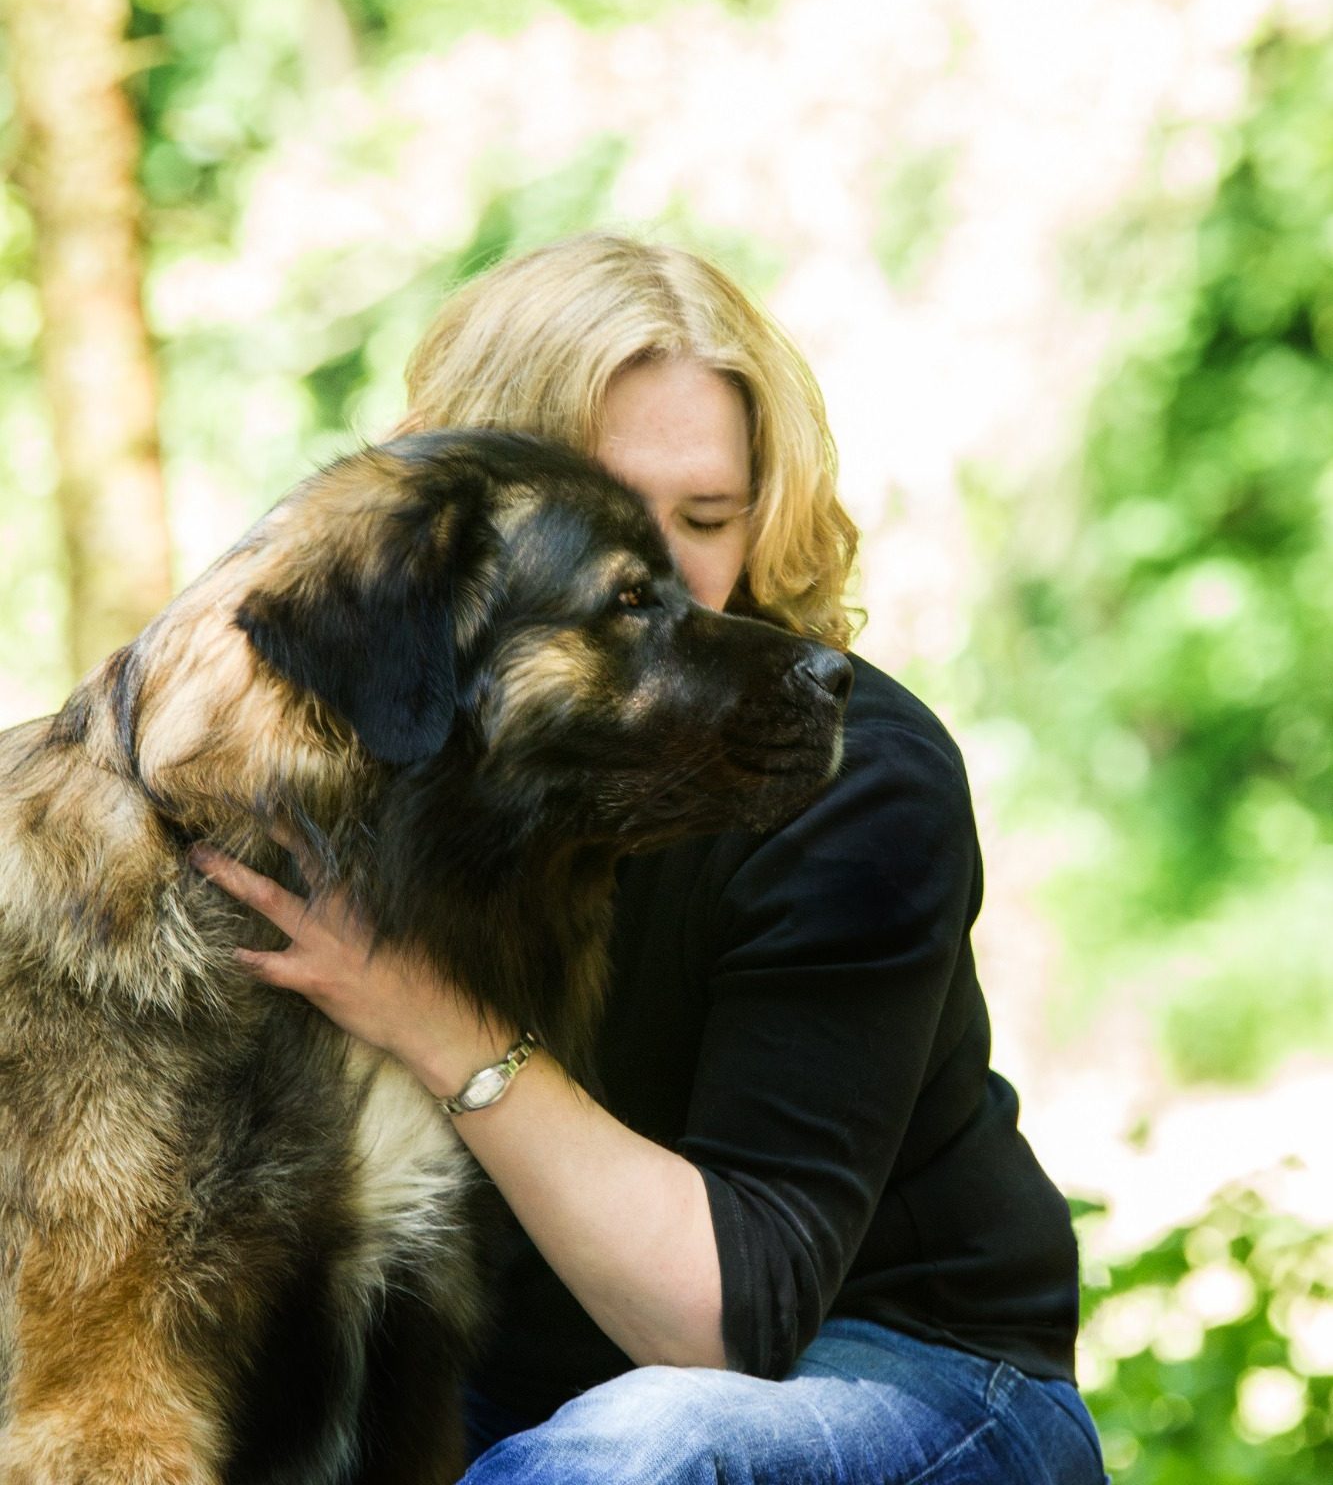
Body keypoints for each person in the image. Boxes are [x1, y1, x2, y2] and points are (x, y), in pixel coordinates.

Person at [192, 233, 1109, 1483]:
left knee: (635, 1452)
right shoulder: (380, 751)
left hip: (905, 1374)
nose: (669, 579)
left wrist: (425, 1009)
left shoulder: (857, 777)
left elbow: (717, 1326)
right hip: (514, 1390)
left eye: (707, 518)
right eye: (609, 527)